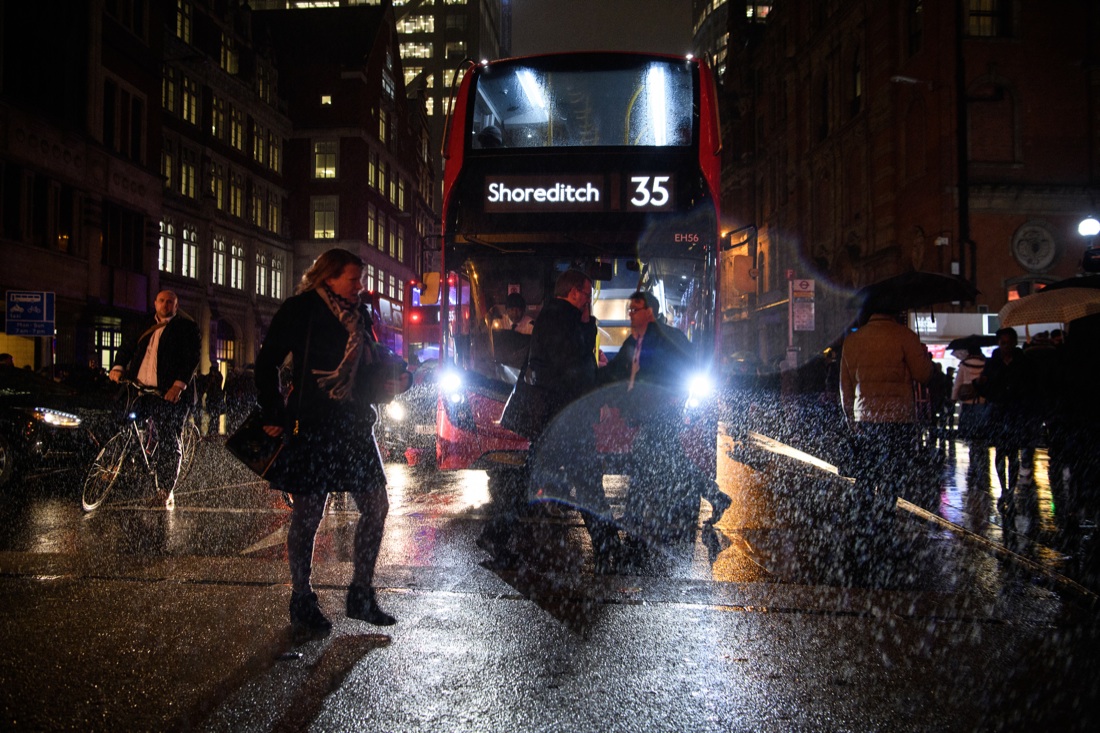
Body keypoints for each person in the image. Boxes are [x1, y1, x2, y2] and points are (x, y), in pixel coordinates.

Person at [256, 248, 410, 637]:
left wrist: (394, 378)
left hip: (354, 424)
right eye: (352, 279)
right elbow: (267, 361)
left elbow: (368, 365)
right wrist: (273, 411)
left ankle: (360, 593)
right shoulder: (301, 309)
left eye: (360, 279)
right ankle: (301, 597)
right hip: (313, 424)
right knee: (308, 514)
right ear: (328, 276)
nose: (359, 286)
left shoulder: (361, 315)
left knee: (376, 506)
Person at [495, 269, 621, 572]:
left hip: (558, 419)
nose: (588, 300)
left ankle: (496, 535)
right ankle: (608, 549)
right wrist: (587, 327)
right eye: (587, 294)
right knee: (587, 485)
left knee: (541, 482)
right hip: (564, 419)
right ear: (574, 292)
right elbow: (574, 367)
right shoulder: (561, 320)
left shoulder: (556, 317)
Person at [601, 291, 731, 542]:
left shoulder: (659, 337)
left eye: (635, 309)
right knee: (668, 458)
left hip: (661, 409)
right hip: (658, 409)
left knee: (647, 455)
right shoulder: (655, 337)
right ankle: (715, 497)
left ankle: (634, 515)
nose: (631, 314)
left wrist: (673, 394)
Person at [839, 308, 934, 529]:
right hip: (898, 419)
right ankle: (886, 520)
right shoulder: (905, 336)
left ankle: (863, 521)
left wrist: (850, 417)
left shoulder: (853, 340)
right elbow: (923, 375)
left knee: (866, 473)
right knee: (892, 473)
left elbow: (845, 386)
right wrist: (924, 357)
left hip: (865, 418)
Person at [108, 290, 201, 509]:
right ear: (155, 303)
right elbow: (127, 346)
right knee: (120, 421)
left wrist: (178, 386)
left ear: (176, 306)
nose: (165, 305)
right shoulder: (143, 324)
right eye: (162, 301)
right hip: (141, 389)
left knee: (168, 437)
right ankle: (115, 463)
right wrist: (118, 366)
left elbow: (191, 358)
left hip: (169, 393)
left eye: (170, 302)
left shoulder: (186, 328)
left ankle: (165, 490)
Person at [975, 327, 1024, 514]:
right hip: (998, 412)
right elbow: (986, 387)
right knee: (1001, 451)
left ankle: (1010, 489)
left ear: (1015, 342)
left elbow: (1028, 385)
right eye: (1003, 343)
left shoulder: (1022, 361)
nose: (1006, 346)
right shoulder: (993, 362)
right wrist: (980, 384)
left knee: (1013, 454)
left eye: (1009, 342)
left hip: (1015, 412)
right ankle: (1004, 488)